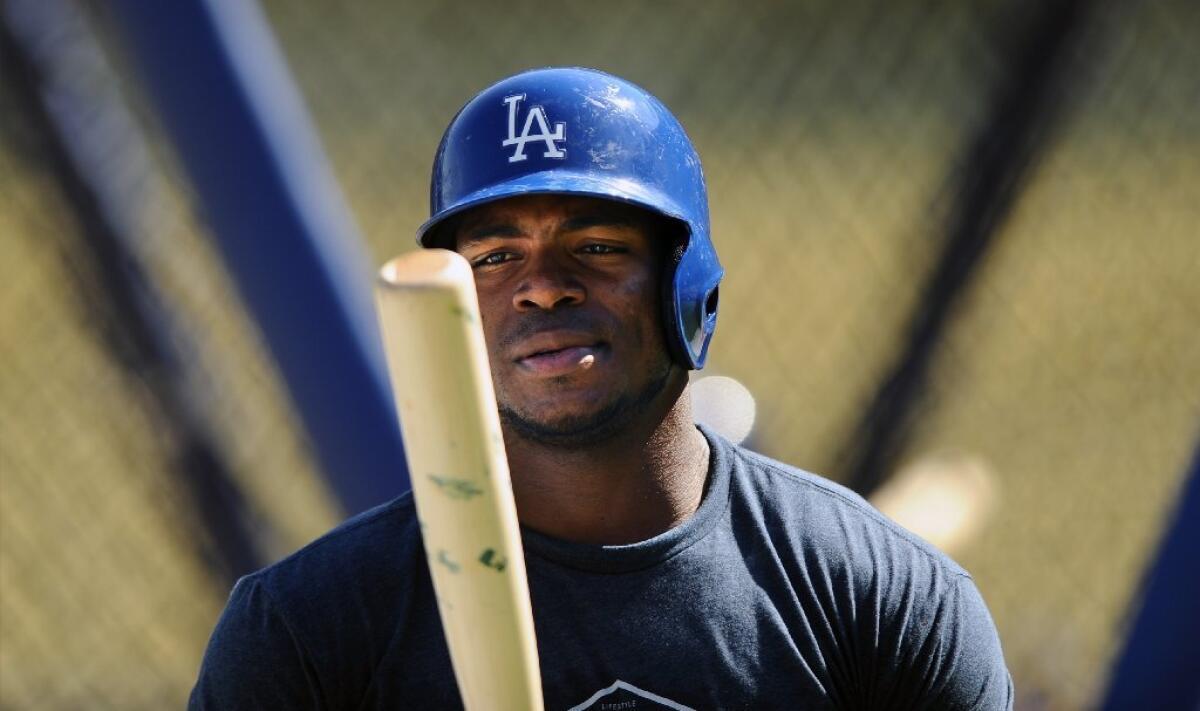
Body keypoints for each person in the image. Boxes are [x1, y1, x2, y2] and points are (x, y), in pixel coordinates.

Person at [190, 67, 1012, 710]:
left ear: (687, 287)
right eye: (494, 257)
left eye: (598, 245)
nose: (541, 288)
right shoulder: (307, 632)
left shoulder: (881, 600)